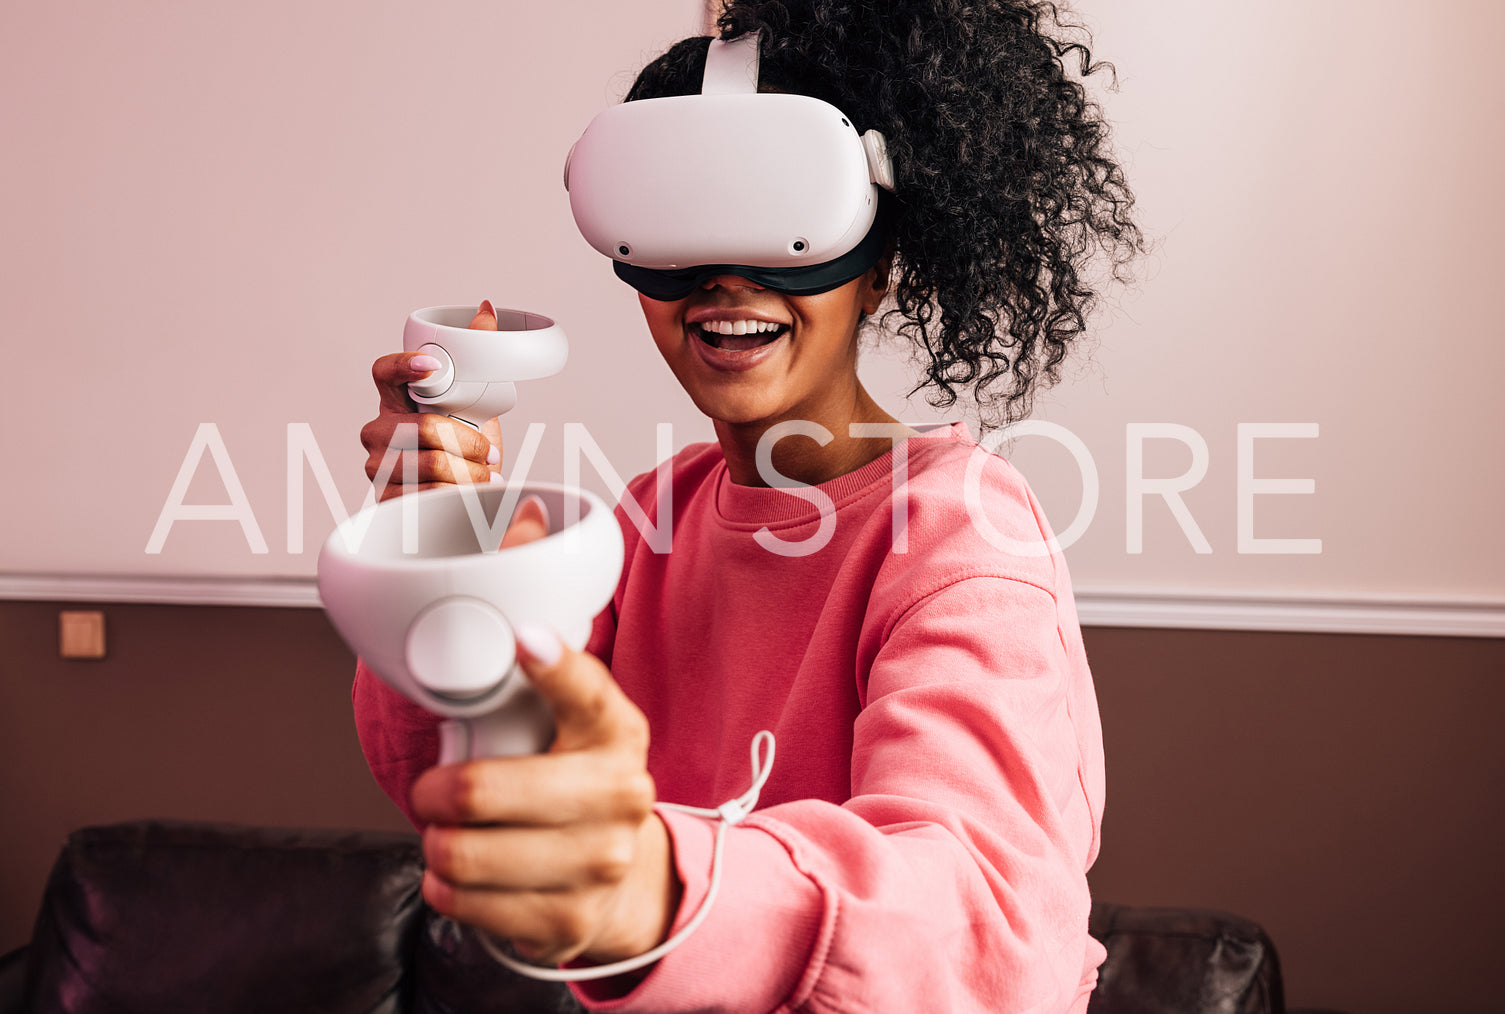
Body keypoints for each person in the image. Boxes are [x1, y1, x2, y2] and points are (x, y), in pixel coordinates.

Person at [353, 1, 1144, 1010]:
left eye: (782, 218)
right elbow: (466, 774)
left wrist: (658, 891)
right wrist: (440, 541)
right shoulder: (648, 521)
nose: (725, 274)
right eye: (678, 221)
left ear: (880, 265)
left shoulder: (960, 535)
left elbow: (983, 917)